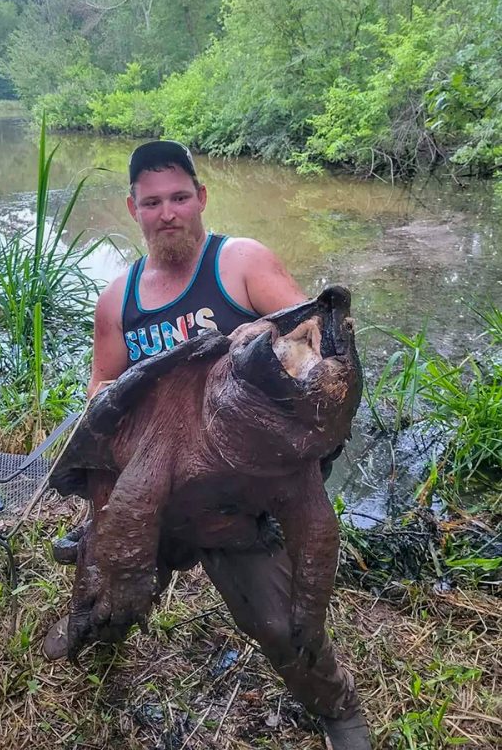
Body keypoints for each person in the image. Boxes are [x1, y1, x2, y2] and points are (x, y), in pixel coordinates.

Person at [44, 141, 371, 749]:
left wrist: (274, 333)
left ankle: (338, 708)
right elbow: (103, 384)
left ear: (201, 198)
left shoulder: (239, 262)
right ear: (132, 209)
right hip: (157, 473)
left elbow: (310, 333)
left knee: (278, 623)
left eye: (178, 197)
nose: (167, 212)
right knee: (114, 565)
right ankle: (97, 627)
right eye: (151, 202)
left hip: (242, 486)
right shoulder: (119, 299)